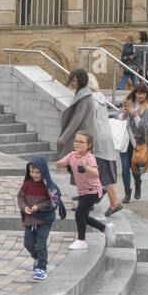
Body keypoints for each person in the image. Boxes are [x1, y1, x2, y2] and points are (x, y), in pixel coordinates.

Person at [56, 68, 122, 216]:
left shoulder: (89, 98)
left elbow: (80, 120)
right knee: (89, 171)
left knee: (96, 172)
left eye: (74, 80)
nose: (72, 83)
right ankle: (93, 199)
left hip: (93, 139)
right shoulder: (96, 97)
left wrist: (64, 138)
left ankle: (110, 201)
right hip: (98, 139)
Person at [56, 131, 111, 250]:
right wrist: (60, 164)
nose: (78, 144)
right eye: (76, 141)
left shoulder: (89, 157)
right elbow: (60, 164)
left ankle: (81, 240)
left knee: (79, 213)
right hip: (83, 191)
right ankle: (105, 229)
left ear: (89, 145)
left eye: (82, 142)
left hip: (93, 191)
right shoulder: (72, 155)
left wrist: (86, 167)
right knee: (84, 216)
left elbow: (96, 173)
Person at [17, 156, 66, 281]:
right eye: (32, 172)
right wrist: (24, 208)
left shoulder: (49, 186)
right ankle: (38, 258)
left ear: (43, 171)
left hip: (44, 219)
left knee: (41, 244)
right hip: (30, 219)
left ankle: (42, 268)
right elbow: (20, 198)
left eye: (37, 172)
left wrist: (39, 206)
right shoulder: (27, 184)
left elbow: (53, 201)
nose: (34, 175)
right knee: (28, 243)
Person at [129, 87, 148, 201]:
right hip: (128, 138)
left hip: (139, 139)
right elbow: (118, 116)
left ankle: (137, 184)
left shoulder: (146, 109)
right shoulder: (130, 104)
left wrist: (136, 116)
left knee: (135, 164)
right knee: (126, 165)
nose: (141, 96)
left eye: (144, 94)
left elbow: (145, 127)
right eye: (139, 93)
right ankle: (127, 191)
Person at [115, 96, 135, 203]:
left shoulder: (137, 113)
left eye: (128, 106)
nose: (126, 108)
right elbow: (116, 123)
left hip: (135, 144)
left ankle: (138, 183)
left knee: (135, 168)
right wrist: (122, 114)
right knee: (125, 168)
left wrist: (134, 115)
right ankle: (127, 191)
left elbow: (141, 126)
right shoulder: (120, 113)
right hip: (124, 145)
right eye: (124, 106)